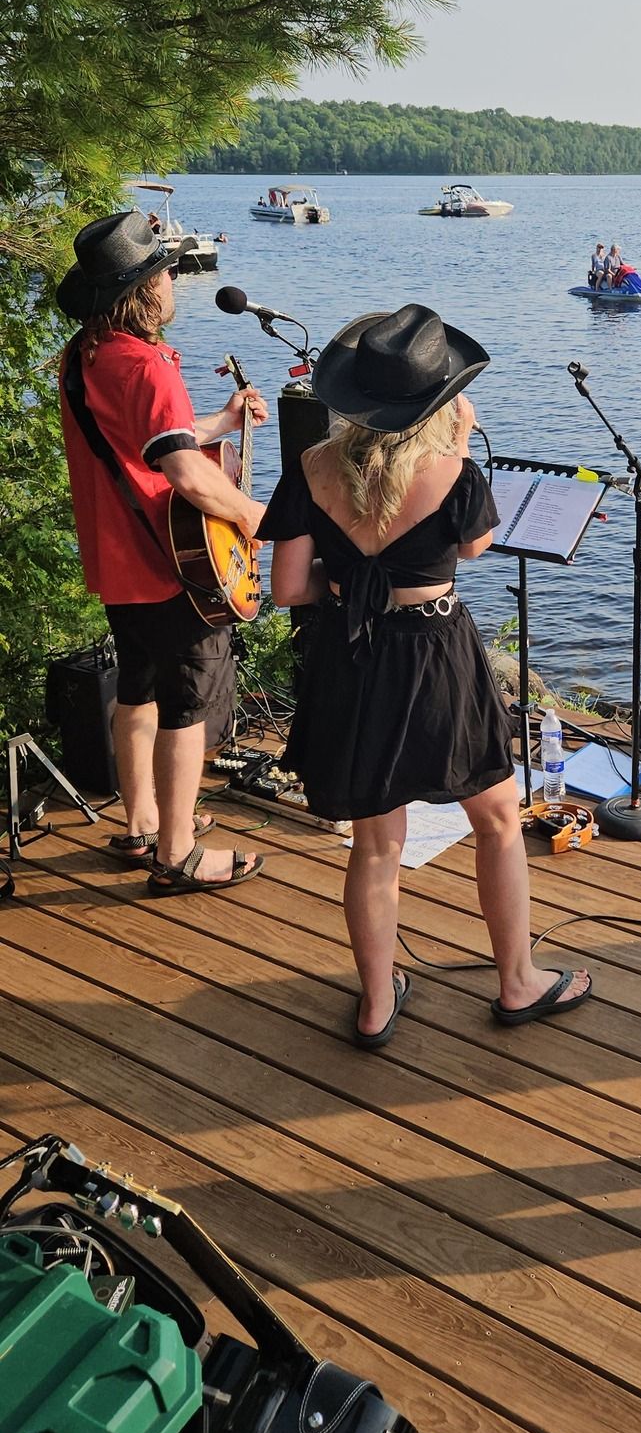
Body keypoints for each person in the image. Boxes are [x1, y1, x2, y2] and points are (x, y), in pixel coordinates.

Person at [262, 304, 593, 1046]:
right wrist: (462, 442)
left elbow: (286, 590)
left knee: (376, 845)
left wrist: (351, 583)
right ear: (436, 399)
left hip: (353, 659)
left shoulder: (311, 467)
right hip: (438, 656)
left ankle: (377, 1003)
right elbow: (473, 549)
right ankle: (517, 982)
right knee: (498, 820)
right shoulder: (455, 471)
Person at [57, 210, 268, 892]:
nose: (174, 278)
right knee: (188, 706)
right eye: (166, 271)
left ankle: (143, 821)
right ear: (145, 290)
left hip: (119, 558)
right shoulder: (146, 363)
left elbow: (149, 441)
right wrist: (256, 516)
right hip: (170, 563)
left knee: (138, 688)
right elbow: (182, 472)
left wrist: (221, 421)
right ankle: (176, 855)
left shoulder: (85, 354)